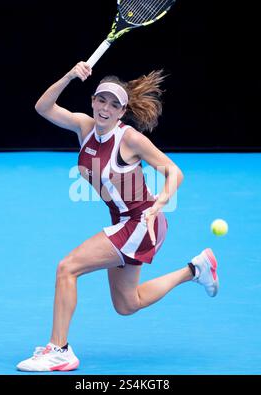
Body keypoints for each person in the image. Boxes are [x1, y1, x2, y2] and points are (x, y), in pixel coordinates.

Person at [17, 62, 219, 372]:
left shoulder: (129, 139)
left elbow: (173, 172)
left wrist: (158, 205)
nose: (106, 108)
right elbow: (43, 107)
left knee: (67, 268)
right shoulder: (83, 126)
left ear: (122, 111)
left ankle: (59, 349)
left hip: (142, 221)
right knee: (127, 304)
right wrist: (71, 75)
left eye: (114, 104)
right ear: (93, 101)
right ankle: (196, 269)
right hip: (126, 223)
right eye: (102, 100)